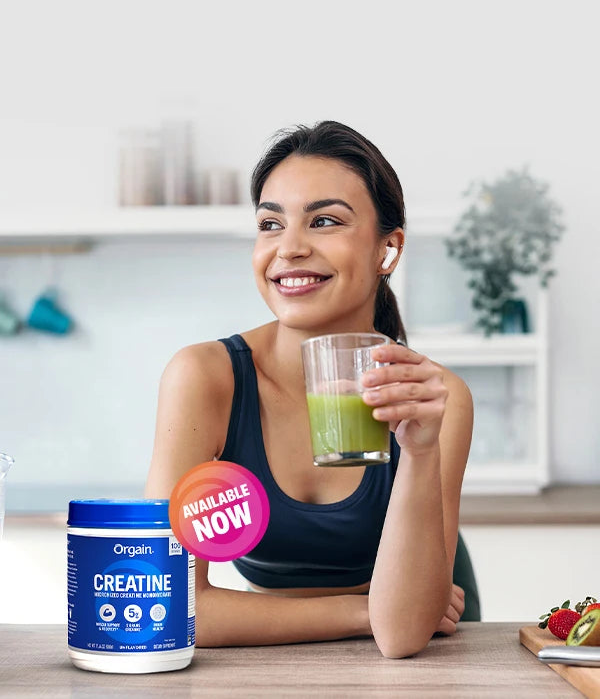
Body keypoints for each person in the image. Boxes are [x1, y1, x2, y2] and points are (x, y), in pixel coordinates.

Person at [144, 120, 481, 658]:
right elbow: (163, 601)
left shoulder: (434, 397)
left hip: (412, 663)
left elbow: (401, 635)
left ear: (387, 249)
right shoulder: (206, 378)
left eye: (323, 221)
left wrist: (417, 451)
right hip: (285, 652)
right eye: (270, 224)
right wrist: (357, 610)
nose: (290, 248)